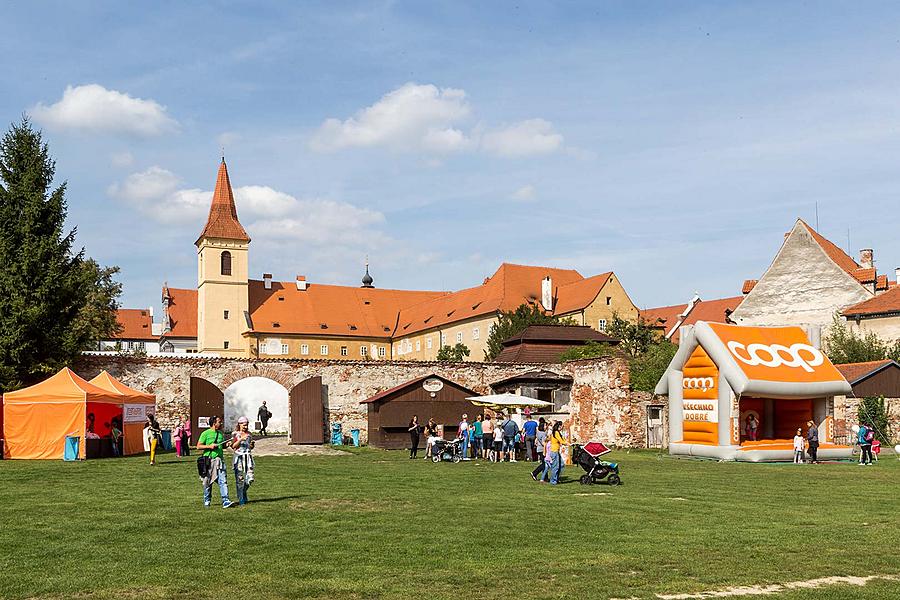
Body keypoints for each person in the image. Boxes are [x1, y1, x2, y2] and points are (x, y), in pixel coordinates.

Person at [196, 415, 234, 508]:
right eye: (219, 422)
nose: (221, 423)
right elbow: (198, 446)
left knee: (223, 481)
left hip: (220, 461)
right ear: (214, 423)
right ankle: (207, 500)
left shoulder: (220, 434)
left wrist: (227, 444)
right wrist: (209, 446)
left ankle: (225, 500)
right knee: (208, 482)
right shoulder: (206, 433)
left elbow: (222, 446)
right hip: (209, 461)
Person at [230, 416, 255, 505]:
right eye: (244, 425)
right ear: (239, 424)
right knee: (240, 479)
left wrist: (251, 445)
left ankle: (243, 491)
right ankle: (241, 498)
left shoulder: (249, 434)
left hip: (248, 458)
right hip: (239, 458)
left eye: (247, 425)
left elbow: (250, 447)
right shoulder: (235, 434)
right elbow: (233, 446)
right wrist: (240, 439)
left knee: (250, 479)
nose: (246, 427)